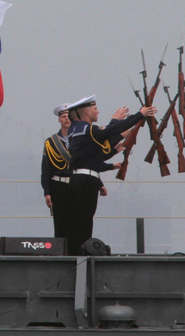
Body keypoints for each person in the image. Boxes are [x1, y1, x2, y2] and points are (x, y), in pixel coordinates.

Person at [41, 95, 155, 254]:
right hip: (84, 181)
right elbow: (107, 133)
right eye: (95, 109)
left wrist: (115, 121)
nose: (98, 111)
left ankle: (76, 253)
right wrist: (139, 115)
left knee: (79, 222)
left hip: (82, 179)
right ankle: (80, 255)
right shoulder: (85, 130)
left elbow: (99, 146)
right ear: (87, 112)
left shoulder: (77, 130)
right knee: (83, 222)